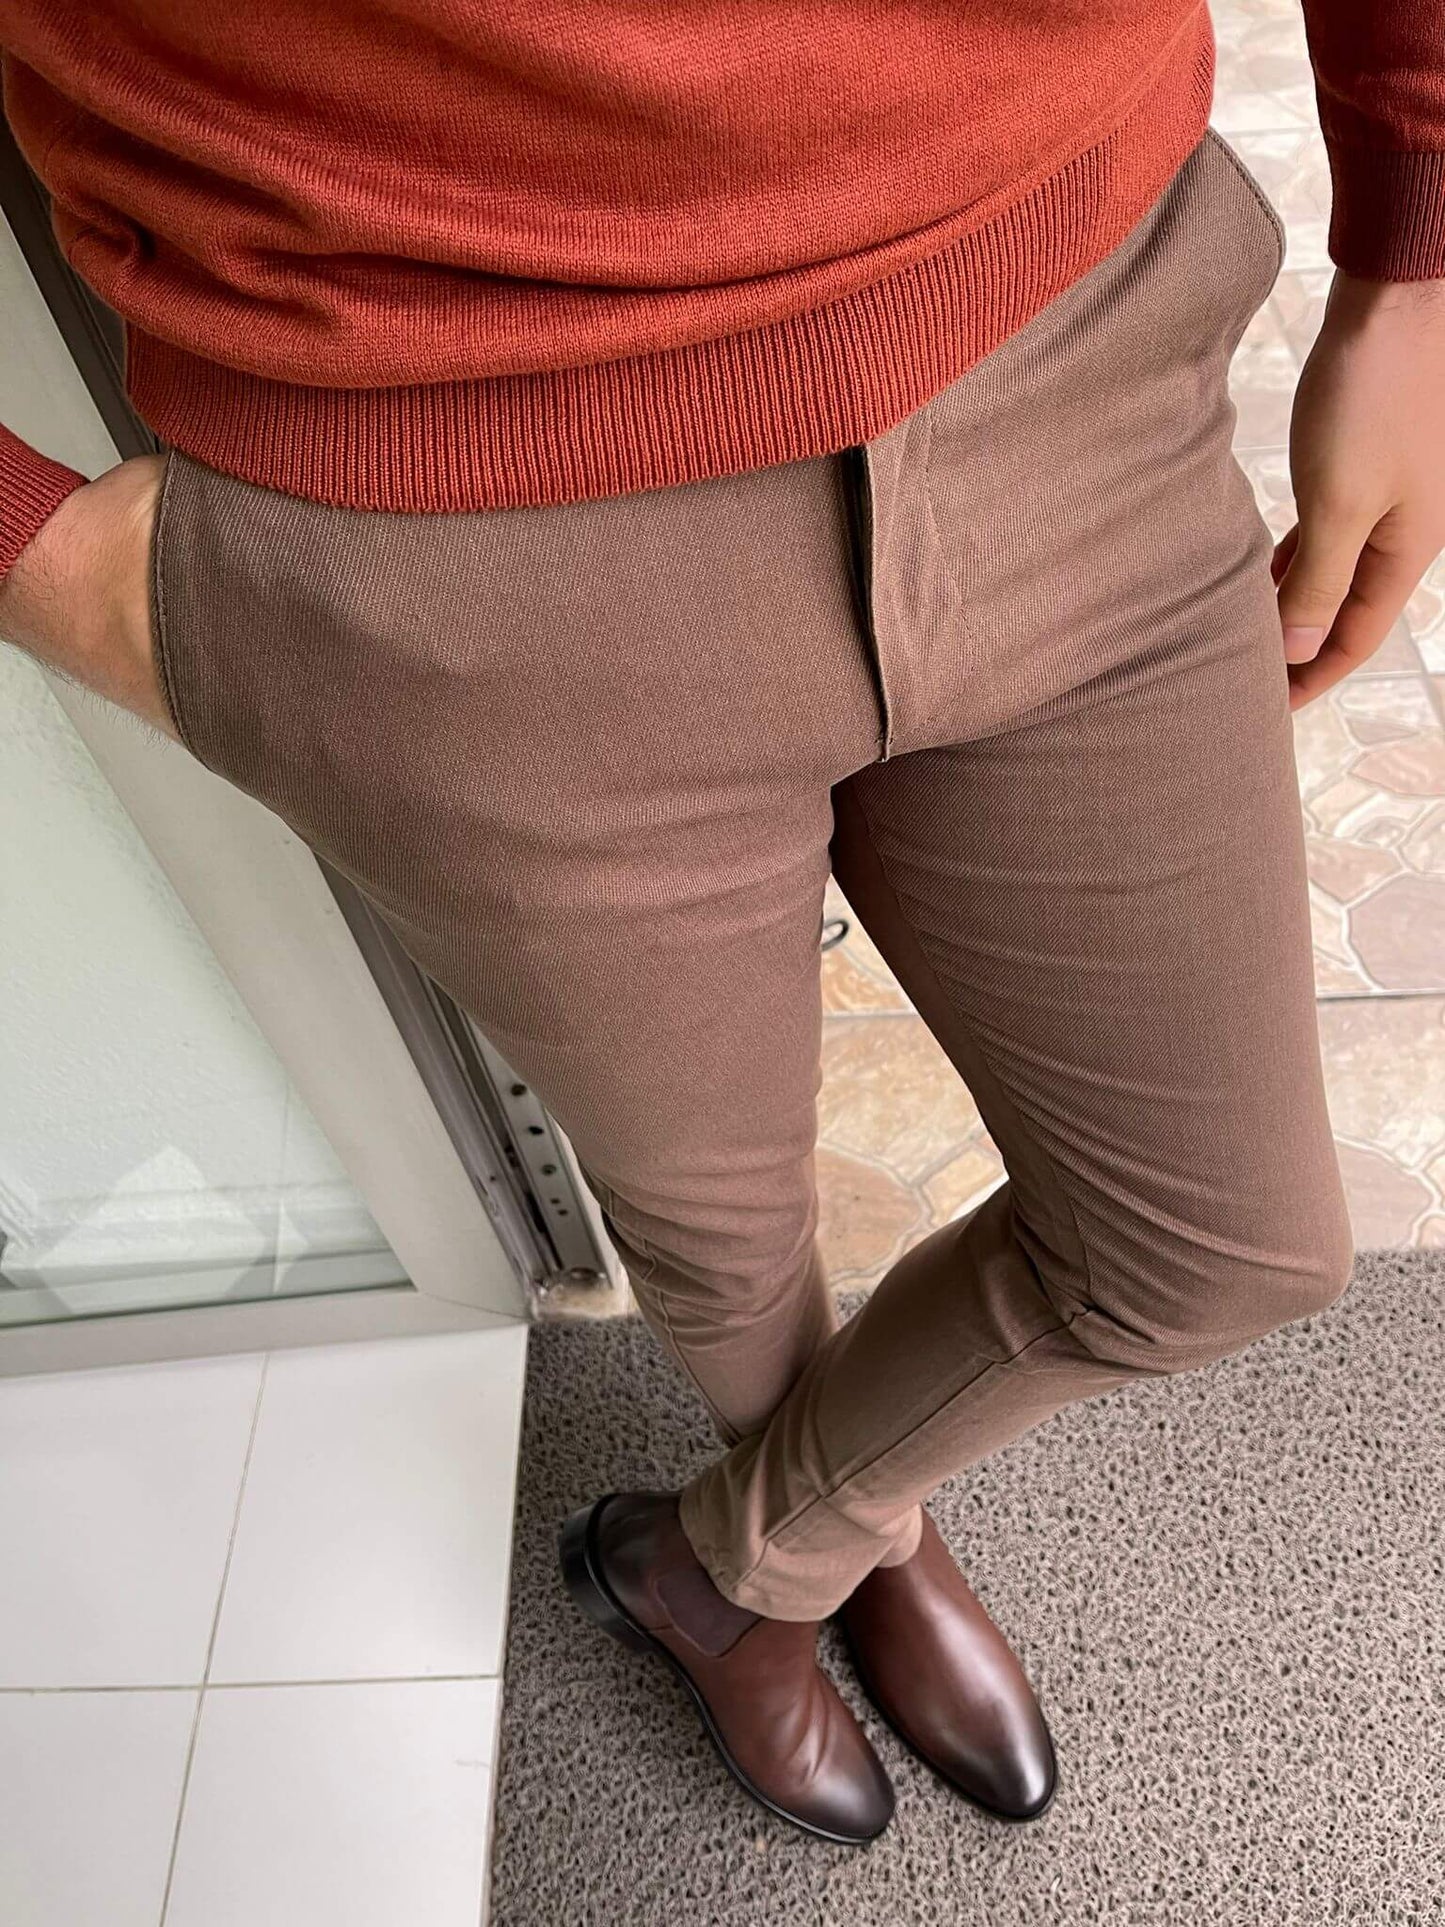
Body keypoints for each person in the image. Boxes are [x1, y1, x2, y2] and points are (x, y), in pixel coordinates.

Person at [1, 1, 1441, 1848]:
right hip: (447, 534)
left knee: (1219, 1244)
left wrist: (1416, 232)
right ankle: (855, 1528)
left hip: (1066, 350)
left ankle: (740, 1560)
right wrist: (43, 555)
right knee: (723, 1232)